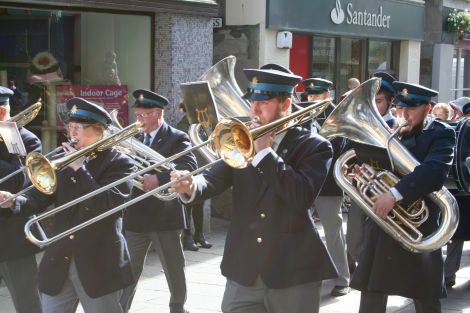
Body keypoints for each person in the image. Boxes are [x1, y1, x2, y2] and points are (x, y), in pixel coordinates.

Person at [170, 67, 337, 313]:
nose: (254, 110)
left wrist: (265, 153)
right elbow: (214, 178)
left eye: (265, 102)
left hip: (292, 271)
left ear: (286, 103)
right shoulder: (241, 140)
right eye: (253, 102)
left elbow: (300, 196)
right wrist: (191, 184)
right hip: (244, 269)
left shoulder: (314, 146)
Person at [0, 97, 135, 312]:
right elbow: (38, 199)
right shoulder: (62, 160)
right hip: (59, 262)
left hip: (98, 263)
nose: (73, 134)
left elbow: (107, 205)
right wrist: (13, 201)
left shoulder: (121, 163)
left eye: (80, 128)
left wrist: (79, 169)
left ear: (99, 130)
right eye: (71, 127)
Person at [351, 82, 455, 313]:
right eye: (399, 109)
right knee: (372, 296)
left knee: (425, 298)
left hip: (418, 227)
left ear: (428, 108)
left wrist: (394, 194)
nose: (403, 115)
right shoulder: (389, 132)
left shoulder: (441, 134)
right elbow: (373, 170)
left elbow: (434, 172)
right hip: (382, 225)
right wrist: (362, 177)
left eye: (411, 109)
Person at [120, 90, 197, 313]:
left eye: (143, 115)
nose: (139, 120)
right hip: (136, 215)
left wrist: (160, 178)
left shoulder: (176, 137)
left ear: (158, 114)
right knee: (129, 269)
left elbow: (189, 166)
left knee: (173, 268)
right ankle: (120, 308)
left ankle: (178, 308)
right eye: (137, 115)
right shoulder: (132, 138)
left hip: (165, 215)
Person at [302, 77, 351, 297]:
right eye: (310, 95)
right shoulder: (302, 114)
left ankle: (342, 279)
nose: (312, 98)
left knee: (333, 232)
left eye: (317, 95)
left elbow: (338, 148)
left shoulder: (336, 117)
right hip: (304, 181)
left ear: (327, 95)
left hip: (328, 184)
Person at [346, 71, 398, 274]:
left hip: (387, 195)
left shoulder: (397, 128)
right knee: (353, 240)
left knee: (379, 245)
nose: (374, 106)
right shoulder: (361, 126)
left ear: (390, 102)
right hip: (362, 190)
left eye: (379, 101)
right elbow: (347, 155)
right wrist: (353, 169)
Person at [0, 86, 42, 313]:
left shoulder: (25, 140)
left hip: (12, 233)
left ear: (3, 112)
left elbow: (18, 182)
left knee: (27, 303)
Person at [176, 103, 212, 251]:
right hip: (189, 170)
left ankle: (199, 235)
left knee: (199, 204)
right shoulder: (182, 126)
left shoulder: (200, 125)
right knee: (187, 206)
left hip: (202, 168)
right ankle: (187, 237)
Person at [444, 97, 470, 288]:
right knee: (456, 234)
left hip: (459, 189)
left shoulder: (461, 126)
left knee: (456, 234)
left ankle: (448, 274)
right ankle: (448, 274)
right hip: (463, 187)